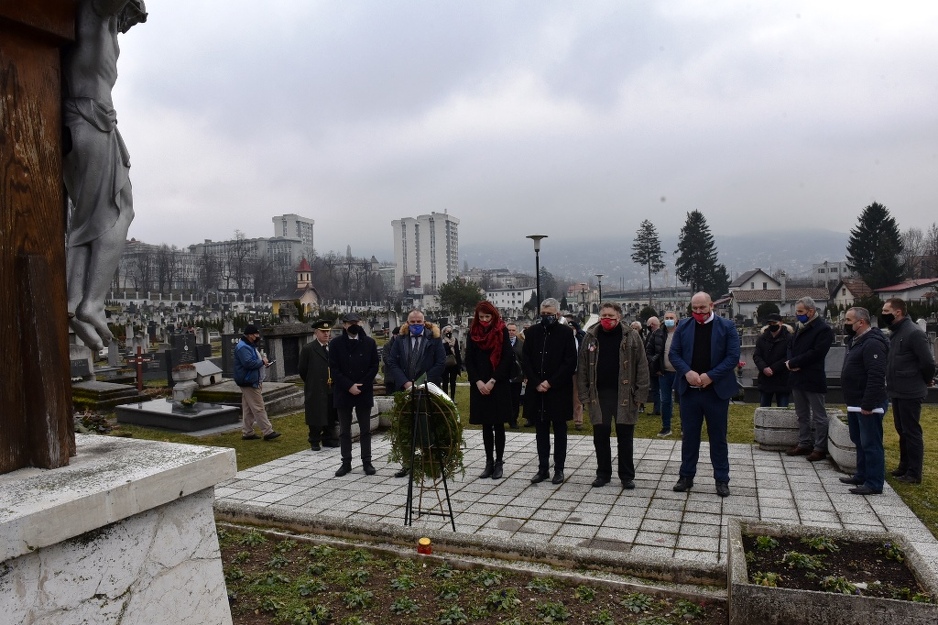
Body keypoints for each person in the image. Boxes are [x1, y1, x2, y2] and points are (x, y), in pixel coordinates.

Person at [63, 0, 147, 351]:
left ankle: (75, 304)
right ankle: (92, 303)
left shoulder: (103, 25)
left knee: (84, 221)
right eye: (131, 16)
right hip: (91, 120)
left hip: (86, 122)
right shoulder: (98, 11)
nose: (129, 24)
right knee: (120, 210)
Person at [668, 292, 740, 497]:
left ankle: (721, 479)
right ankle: (686, 476)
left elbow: (732, 356)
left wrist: (711, 376)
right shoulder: (683, 326)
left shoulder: (727, 327)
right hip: (689, 391)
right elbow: (674, 354)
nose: (698, 312)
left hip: (715, 392)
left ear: (711, 306)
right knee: (689, 436)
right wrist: (687, 372)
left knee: (718, 436)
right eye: (695, 308)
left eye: (702, 308)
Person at [577, 303, 649, 489]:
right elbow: (583, 366)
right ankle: (603, 473)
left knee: (625, 437)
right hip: (598, 395)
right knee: (600, 436)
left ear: (619, 316)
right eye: (603, 315)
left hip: (625, 395)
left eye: (610, 315)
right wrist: (584, 395)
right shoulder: (591, 336)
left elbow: (642, 365)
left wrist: (641, 394)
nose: (606, 319)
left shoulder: (631, 336)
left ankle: (626, 476)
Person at [522, 298, 578, 485]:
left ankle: (559, 469)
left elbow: (570, 361)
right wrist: (537, 382)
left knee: (560, 430)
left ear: (557, 314)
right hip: (537, 389)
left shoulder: (566, 333)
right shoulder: (532, 333)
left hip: (558, 389)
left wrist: (550, 382)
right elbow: (526, 359)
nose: (546, 317)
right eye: (543, 314)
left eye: (550, 314)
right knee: (541, 431)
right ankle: (543, 468)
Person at [385, 309, 446, 477]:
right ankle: (408, 463)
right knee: (405, 426)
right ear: (407, 322)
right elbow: (392, 361)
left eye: (419, 322)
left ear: (424, 322)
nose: (416, 325)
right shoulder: (400, 340)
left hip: (427, 389)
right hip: (404, 389)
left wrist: (421, 383)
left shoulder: (434, 339)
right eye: (413, 322)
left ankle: (430, 463)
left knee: (427, 426)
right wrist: (404, 382)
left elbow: (440, 362)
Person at [882, 298, 936, 485]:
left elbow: (928, 362)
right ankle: (904, 466)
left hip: (910, 389)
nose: (883, 313)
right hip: (897, 389)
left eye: (886, 310)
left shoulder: (913, 332)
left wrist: (927, 379)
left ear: (897, 312)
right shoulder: (897, 332)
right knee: (901, 429)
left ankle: (914, 472)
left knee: (911, 431)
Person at [838, 307, 889, 495]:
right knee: (859, 440)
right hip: (855, 401)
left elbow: (876, 375)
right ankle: (862, 474)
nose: (846, 324)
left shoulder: (872, 343)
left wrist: (868, 404)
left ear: (861, 322)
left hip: (868, 403)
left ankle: (874, 482)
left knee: (871, 442)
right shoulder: (855, 341)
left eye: (849, 320)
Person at [465, 302, 514, 480]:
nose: (484, 320)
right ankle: (488, 462)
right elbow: (468, 359)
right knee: (486, 425)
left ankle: (499, 462)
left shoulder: (502, 331)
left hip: (497, 383)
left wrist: (493, 380)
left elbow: (507, 357)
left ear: (493, 316)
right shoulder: (473, 333)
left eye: (488, 317)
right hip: (480, 384)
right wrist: (478, 381)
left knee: (499, 425)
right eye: (481, 317)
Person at [330, 313, 380, 477]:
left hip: (363, 390)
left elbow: (374, 366)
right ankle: (346, 462)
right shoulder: (335, 344)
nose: (354, 325)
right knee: (345, 430)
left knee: (365, 429)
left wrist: (362, 385)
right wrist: (349, 385)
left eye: (356, 322)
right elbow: (334, 369)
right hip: (344, 391)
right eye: (350, 323)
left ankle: (367, 462)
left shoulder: (369, 343)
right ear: (344, 325)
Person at [785, 297, 835, 461]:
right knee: (802, 414)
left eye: (800, 312)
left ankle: (820, 447)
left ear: (811, 311)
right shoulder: (799, 328)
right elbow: (790, 347)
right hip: (797, 377)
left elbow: (817, 353)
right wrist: (791, 362)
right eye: (797, 312)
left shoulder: (823, 329)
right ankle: (804, 443)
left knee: (819, 416)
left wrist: (796, 362)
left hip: (812, 377)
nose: (797, 315)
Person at [233, 324, 280, 441]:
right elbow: (248, 363)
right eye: (255, 334)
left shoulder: (249, 345)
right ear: (249, 335)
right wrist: (262, 362)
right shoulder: (243, 347)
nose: (257, 336)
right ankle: (268, 431)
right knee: (258, 407)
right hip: (249, 381)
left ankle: (247, 432)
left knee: (249, 408)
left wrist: (263, 364)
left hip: (251, 380)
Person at [297, 319, 339, 451]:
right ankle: (314, 439)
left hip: (331, 387)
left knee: (330, 413)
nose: (326, 334)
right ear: (316, 333)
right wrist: (312, 381)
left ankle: (329, 438)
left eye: (328, 331)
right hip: (316, 388)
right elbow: (302, 370)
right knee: (316, 414)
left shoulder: (332, 347)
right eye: (323, 332)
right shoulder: (309, 349)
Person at [648, 310, 679, 437]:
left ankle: (684, 428)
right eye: (667, 317)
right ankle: (666, 427)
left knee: (683, 402)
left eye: (671, 317)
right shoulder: (657, 334)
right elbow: (649, 351)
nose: (669, 319)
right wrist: (655, 366)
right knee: (665, 401)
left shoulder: (682, 333)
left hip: (680, 373)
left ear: (676, 320)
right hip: (664, 373)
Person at [752, 313, 792, 407]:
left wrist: (773, 368)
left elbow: (788, 357)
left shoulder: (789, 338)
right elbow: (757, 355)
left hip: (782, 379)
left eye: (774, 323)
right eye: (770, 323)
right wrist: (764, 368)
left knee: (782, 409)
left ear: (781, 323)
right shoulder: (762, 338)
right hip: (766, 379)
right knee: (764, 409)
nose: (772, 325)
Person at [507, 322, 525, 429]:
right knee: (504, 400)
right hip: (504, 377)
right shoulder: (501, 343)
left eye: (513, 330)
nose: (511, 332)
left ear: (516, 331)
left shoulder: (521, 344)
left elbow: (525, 360)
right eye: (509, 330)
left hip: (517, 377)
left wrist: (525, 375)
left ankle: (513, 420)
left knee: (515, 400)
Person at [644, 316, 662, 416]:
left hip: (656, 367)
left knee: (658, 390)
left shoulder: (657, 334)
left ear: (651, 325)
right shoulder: (654, 334)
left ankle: (658, 409)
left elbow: (658, 352)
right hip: (654, 366)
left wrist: (652, 362)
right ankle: (657, 409)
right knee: (656, 390)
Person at [441, 325, 463, 398]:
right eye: (447, 331)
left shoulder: (455, 340)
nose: (449, 332)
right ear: (444, 332)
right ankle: (446, 398)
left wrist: (459, 365)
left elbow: (457, 352)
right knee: (445, 382)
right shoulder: (442, 341)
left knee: (453, 382)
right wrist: (448, 344)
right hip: (445, 363)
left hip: (454, 363)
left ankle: (452, 398)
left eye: (450, 331)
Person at [381, 326, 400, 395]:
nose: (398, 336)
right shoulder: (387, 345)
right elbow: (386, 358)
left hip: (402, 378)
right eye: (397, 334)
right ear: (394, 334)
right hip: (390, 377)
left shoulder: (404, 344)